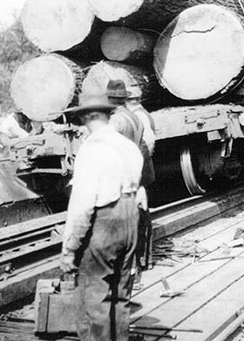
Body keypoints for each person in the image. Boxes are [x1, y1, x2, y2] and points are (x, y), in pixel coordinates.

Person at [60, 91, 143, 341]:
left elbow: (82, 205)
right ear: (108, 115)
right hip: (130, 217)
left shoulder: (91, 149)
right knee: (120, 296)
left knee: (94, 297)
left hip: (105, 222)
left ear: (85, 117)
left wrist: (69, 248)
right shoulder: (128, 146)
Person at [106, 79, 156, 275]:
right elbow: (142, 147)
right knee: (140, 218)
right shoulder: (134, 117)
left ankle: (129, 269)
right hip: (136, 175)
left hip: (122, 177)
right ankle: (143, 261)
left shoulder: (116, 121)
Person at [125, 89, 156, 272]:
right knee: (141, 217)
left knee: (141, 218)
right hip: (141, 173)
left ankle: (142, 260)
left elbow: (148, 145)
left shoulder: (139, 117)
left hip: (140, 175)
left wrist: (138, 178)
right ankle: (143, 260)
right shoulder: (141, 114)